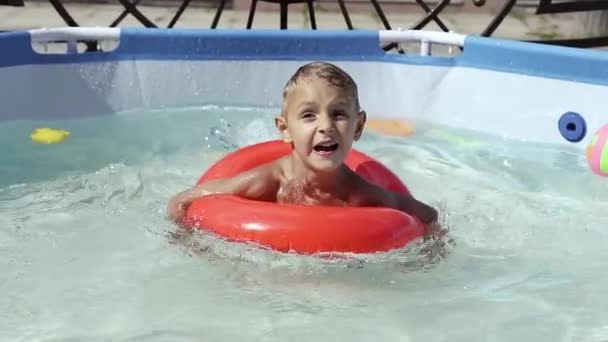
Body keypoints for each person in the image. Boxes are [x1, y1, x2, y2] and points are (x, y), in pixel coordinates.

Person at [167, 61, 438, 228]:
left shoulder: (359, 193)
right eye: (309, 115)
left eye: (339, 114)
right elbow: (183, 200)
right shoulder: (267, 182)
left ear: (358, 126)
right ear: (285, 129)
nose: (325, 126)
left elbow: (427, 215)